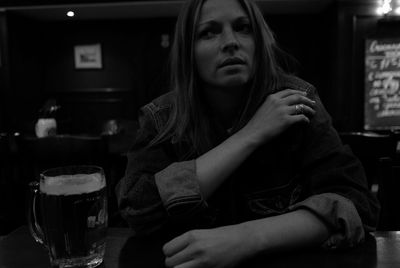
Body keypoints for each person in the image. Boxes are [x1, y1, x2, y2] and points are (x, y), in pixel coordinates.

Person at [116, 0, 380, 267]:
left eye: (244, 28)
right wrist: (250, 134)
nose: (231, 41)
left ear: (260, 41)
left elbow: (357, 204)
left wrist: (246, 238)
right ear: (189, 51)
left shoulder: (298, 99)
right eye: (209, 31)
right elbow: (137, 210)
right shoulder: (162, 116)